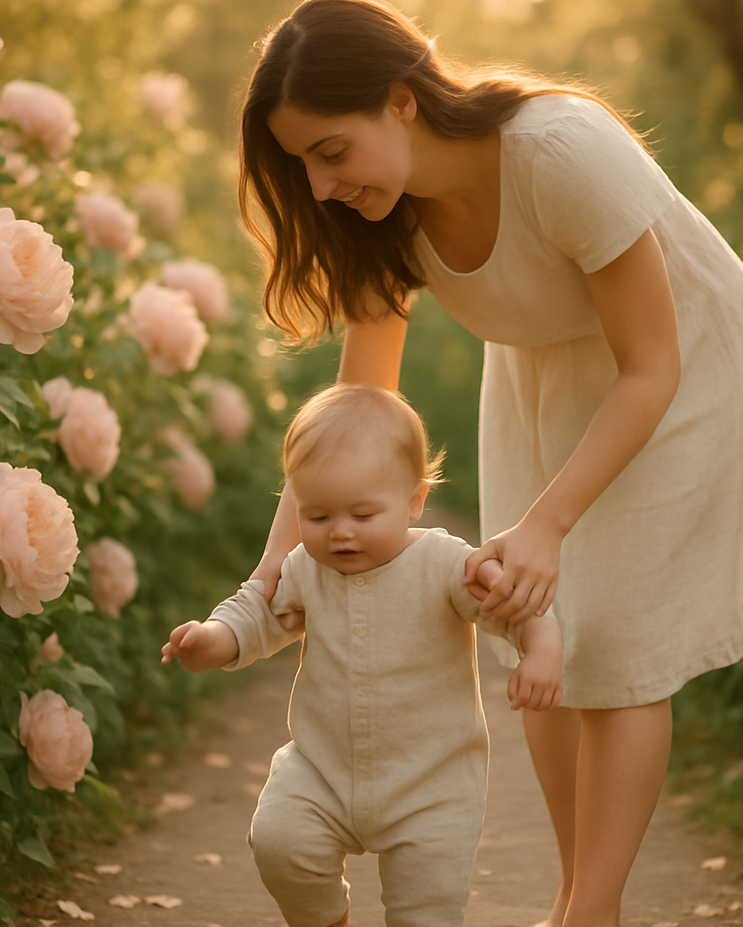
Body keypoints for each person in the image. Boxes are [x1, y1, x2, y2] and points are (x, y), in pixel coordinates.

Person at [236, 0, 743, 927]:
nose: (320, 186)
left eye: (331, 151)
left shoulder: (559, 150)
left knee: (617, 638)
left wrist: (548, 522)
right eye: (302, 164)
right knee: (531, 607)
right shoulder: (379, 214)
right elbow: (361, 407)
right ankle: (579, 894)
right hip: (541, 368)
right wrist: (276, 565)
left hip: (674, 363)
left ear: (401, 99)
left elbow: (651, 365)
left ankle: (593, 912)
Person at [161, 382, 564, 927]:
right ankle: (326, 919)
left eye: (363, 514)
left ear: (414, 500)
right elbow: (261, 614)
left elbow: (514, 605)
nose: (341, 533)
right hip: (322, 769)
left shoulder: (446, 564)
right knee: (280, 839)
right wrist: (214, 639)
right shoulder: (306, 567)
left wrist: (541, 649)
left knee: (428, 910)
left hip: (432, 785)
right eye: (319, 516)